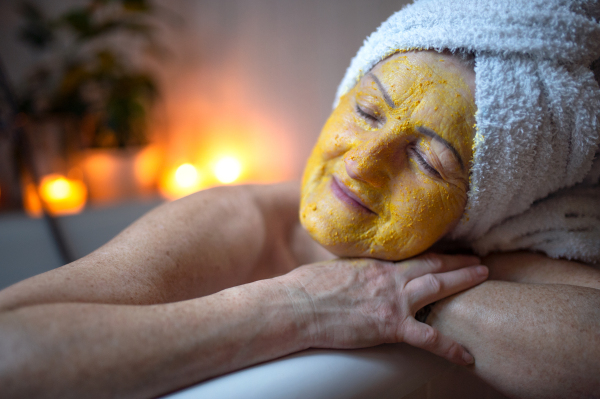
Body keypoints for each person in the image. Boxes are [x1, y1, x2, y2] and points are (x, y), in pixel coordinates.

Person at [1, 1, 599, 399]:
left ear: (480, 209)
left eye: (427, 161)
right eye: (365, 111)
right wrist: (299, 307)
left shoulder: (472, 258)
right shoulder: (235, 223)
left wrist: (402, 298)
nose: (364, 162)